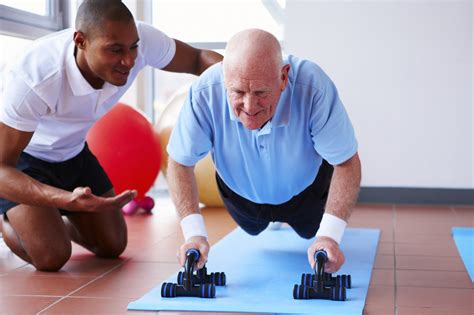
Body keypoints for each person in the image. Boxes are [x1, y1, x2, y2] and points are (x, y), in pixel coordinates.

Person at [0, 0, 222, 272]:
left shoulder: (137, 40)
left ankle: (53, 221)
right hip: (25, 160)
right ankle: (6, 217)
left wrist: (240, 85)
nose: (129, 60)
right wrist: (62, 198)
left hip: (73, 152)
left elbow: (198, 59)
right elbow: (1, 167)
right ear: (80, 41)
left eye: (133, 47)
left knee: (112, 245)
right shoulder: (33, 77)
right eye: (115, 50)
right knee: (52, 256)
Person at [167, 29, 361, 272]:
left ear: (283, 77)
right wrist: (194, 234)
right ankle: (268, 218)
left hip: (307, 193)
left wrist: (329, 237)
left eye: (260, 92)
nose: (249, 106)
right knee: (252, 228)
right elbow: (179, 161)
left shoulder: (314, 87)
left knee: (312, 231)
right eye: (238, 92)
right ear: (225, 78)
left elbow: (347, 162)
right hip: (242, 197)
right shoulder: (205, 91)